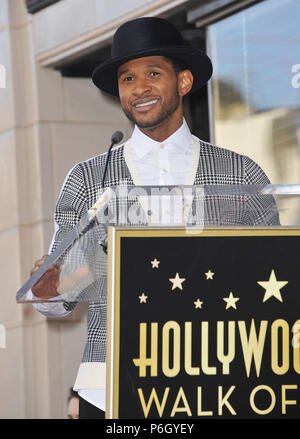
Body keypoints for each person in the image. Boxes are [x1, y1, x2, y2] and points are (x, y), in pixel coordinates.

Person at [29, 17, 278, 419]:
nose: (139, 87)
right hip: (111, 386)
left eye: (153, 73)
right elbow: (62, 294)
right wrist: (48, 287)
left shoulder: (241, 174)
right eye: (127, 79)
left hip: (217, 381)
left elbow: (274, 281)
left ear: (182, 82)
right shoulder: (89, 178)